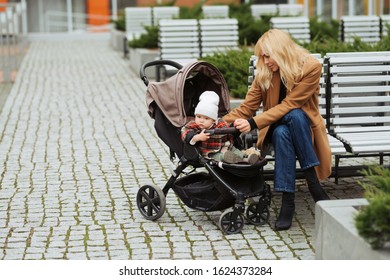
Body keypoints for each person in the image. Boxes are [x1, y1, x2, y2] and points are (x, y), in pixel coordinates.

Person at [222, 29, 332, 231]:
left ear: (281, 51)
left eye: (267, 56)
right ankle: (313, 182)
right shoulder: (264, 72)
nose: (263, 62)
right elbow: (247, 108)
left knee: (291, 121)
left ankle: (287, 203)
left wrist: (253, 123)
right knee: (286, 123)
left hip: (304, 130)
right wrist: (218, 123)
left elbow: (291, 103)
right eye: (261, 57)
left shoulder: (311, 67)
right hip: (272, 126)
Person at [181, 91, 260, 164]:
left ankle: (248, 158)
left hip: (227, 147)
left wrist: (234, 125)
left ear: (213, 120)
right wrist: (197, 137)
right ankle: (236, 159)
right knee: (222, 157)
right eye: (198, 116)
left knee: (238, 153)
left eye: (206, 118)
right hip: (211, 152)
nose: (201, 121)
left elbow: (228, 130)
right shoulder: (194, 125)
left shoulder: (219, 123)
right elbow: (185, 132)